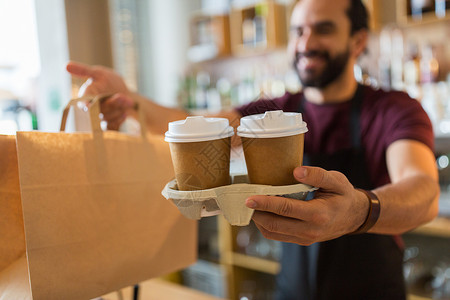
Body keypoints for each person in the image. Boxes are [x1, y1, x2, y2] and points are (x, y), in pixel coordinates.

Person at [67, 0, 440, 298]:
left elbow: (422, 191)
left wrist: (359, 210)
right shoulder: (269, 115)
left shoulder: (393, 108)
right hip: (293, 288)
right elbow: (196, 125)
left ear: (358, 41)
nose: (305, 43)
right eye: (298, 31)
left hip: (373, 290)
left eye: (323, 29)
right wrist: (130, 99)